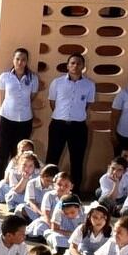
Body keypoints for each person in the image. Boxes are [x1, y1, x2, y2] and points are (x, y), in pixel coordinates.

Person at [47, 52, 97, 187]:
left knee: (77, 160)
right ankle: (47, 189)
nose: (75, 66)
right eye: (72, 63)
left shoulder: (89, 85)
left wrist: (75, 115)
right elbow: (52, 103)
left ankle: (74, 193)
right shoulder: (57, 83)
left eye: (78, 63)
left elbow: (87, 104)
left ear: (83, 66)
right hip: (58, 125)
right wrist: (63, 116)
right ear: (68, 66)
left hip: (78, 127)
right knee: (52, 158)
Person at [0, 46, 40, 167]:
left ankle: (16, 180)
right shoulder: (5, 77)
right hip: (6, 118)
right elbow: (2, 97)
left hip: (24, 120)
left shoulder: (33, 78)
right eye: (18, 59)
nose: (20, 62)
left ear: (27, 61)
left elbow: (31, 97)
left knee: (20, 153)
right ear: (13, 60)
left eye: (23, 59)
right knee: (3, 151)